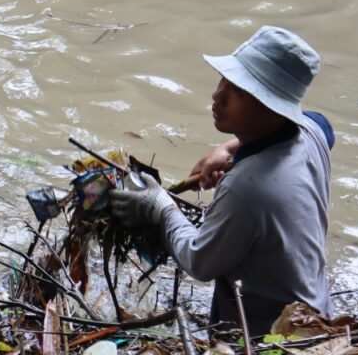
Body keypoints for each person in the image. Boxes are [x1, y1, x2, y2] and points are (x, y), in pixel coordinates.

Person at [111, 26, 335, 336]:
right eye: (224, 82)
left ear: (273, 112)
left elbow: (200, 262)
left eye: (239, 91)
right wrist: (229, 148)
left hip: (267, 337)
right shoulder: (311, 135)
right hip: (315, 312)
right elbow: (324, 123)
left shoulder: (247, 188)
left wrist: (161, 207)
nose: (218, 95)